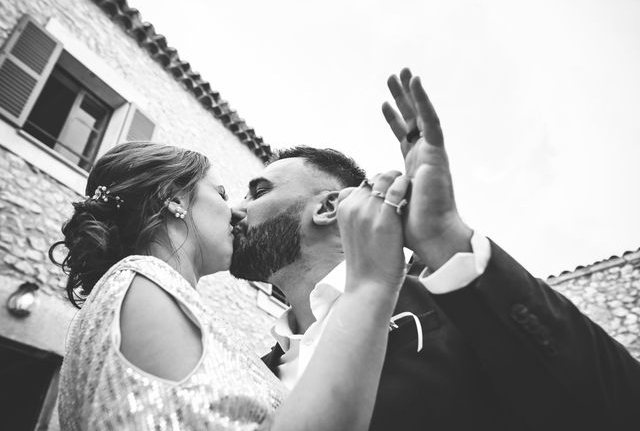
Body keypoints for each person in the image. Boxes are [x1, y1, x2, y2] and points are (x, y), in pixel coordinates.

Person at [231, 69, 640, 431]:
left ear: (327, 207)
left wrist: (446, 236)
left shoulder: (447, 303)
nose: (237, 208)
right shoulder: (256, 371)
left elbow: (620, 402)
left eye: (259, 191)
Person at [52, 141, 413, 430]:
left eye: (255, 193)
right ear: (175, 200)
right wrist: (372, 288)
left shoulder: (422, 304)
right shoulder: (144, 282)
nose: (236, 210)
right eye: (222, 194)